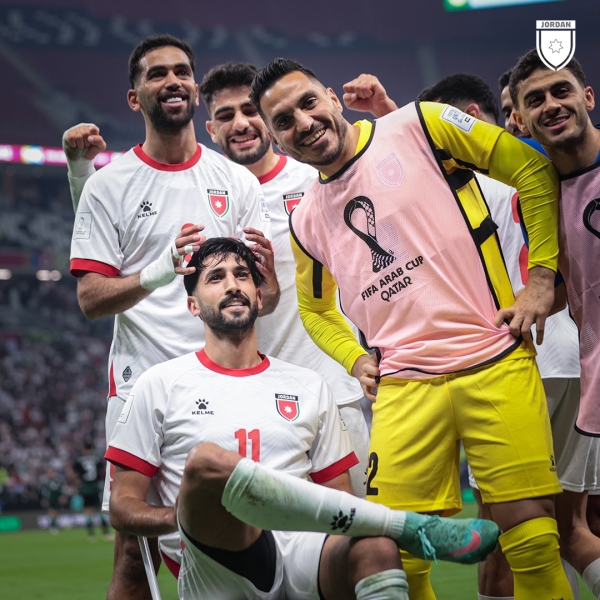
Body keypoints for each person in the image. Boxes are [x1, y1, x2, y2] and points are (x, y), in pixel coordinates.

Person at [251, 58, 571, 600]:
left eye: (307, 103)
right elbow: (315, 309)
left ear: (331, 97)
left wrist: (542, 278)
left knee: (533, 540)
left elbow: (533, 170)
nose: (303, 123)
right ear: (276, 139)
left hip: (493, 357)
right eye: (284, 121)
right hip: (403, 387)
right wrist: (354, 358)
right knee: (392, 554)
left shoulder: (423, 121)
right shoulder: (304, 219)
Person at [105, 236, 500, 600]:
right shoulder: (160, 383)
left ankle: (391, 531)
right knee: (206, 462)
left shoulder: (308, 385)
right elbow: (122, 506)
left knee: (375, 547)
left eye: (242, 275)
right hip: (214, 561)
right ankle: (403, 526)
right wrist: (182, 515)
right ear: (194, 305)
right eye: (216, 278)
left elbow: (342, 501)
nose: (232, 285)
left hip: (301, 552)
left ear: (259, 296)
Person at [65, 62, 369, 498]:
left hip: (328, 383)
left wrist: (384, 111)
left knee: (355, 520)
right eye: (226, 115)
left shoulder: (313, 178)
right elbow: (110, 231)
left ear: (270, 118)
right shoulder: (206, 189)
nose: (241, 124)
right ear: (210, 128)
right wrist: (81, 175)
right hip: (245, 395)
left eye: (250, 111)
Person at [68, 34, 278, 600]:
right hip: (141, 386)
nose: (173, 81)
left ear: (194, 86)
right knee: (133, 556)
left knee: (244, 538)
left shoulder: (235, 181)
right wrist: (160, 271)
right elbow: (90, 299)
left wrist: (268, 285)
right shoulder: (108, 185)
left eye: (182, 71)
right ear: (134, 96)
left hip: (225, 381)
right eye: (156, 73)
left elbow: (263, 296)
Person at [510, 50, 600, 598]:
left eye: (561, 91)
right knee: (570, 528)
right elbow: (569, 287)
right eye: (535, 99)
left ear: (587, 96)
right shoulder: (537, 197)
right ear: (520, 119)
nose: (551, 105)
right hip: (593, 379)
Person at [73, 443, 112, 541]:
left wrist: (77, 481)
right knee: (93, 510)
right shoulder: (96, 459)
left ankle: (93, 535)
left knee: (91, 510)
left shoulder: (79, 460)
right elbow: (102, 470)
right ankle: (103, 533)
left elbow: (74, 471)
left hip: (87, 487)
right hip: (92, 486)